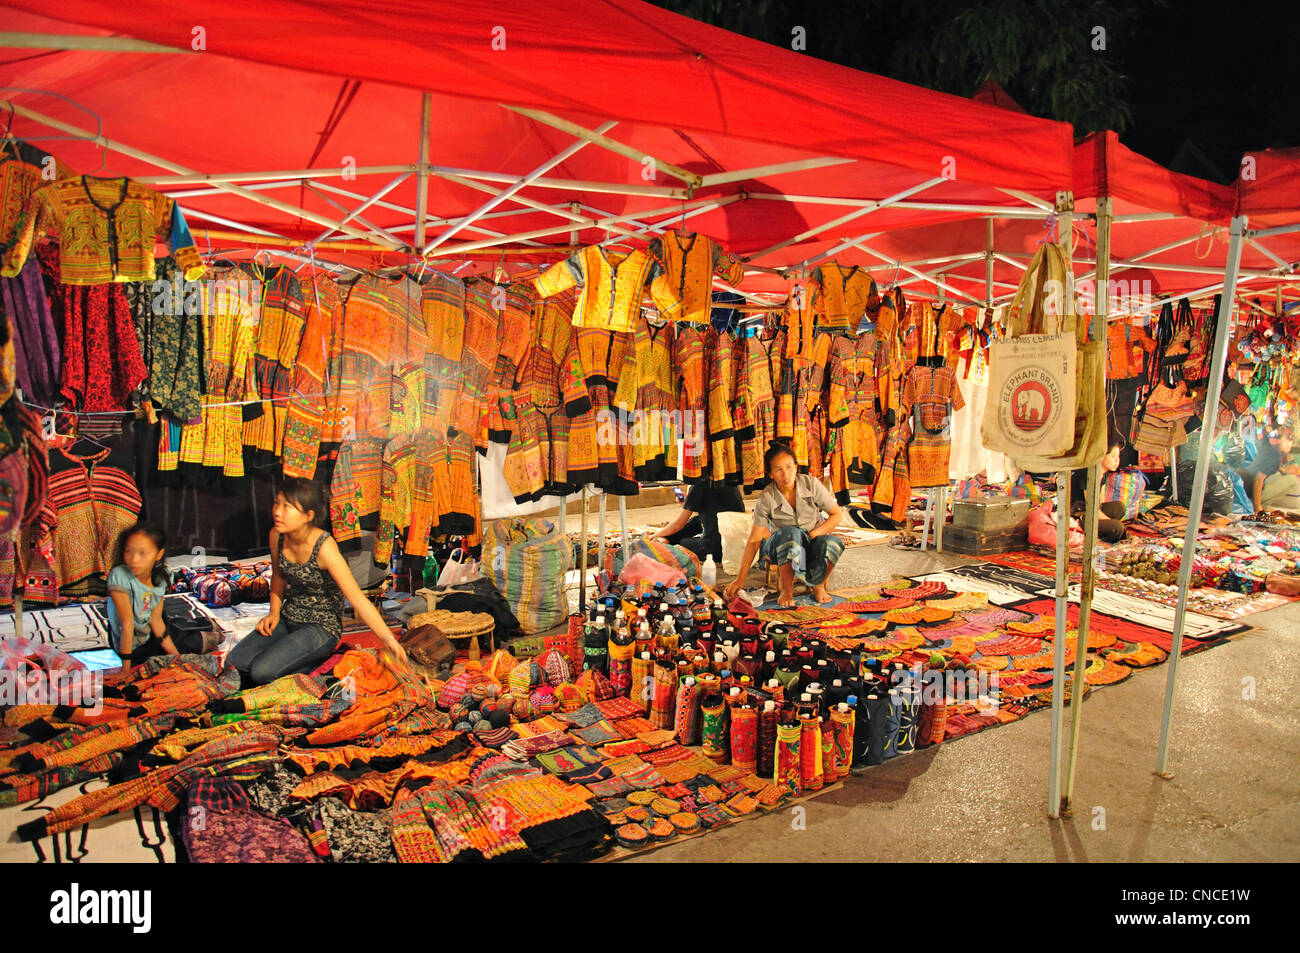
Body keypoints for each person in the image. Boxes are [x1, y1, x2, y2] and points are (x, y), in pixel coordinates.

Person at [228, 477, 407, 686]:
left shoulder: (324, 547)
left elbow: (357, 598)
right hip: (289, 617)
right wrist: (274, 613)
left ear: (307, 515)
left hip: (321, 626)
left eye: (287, 507)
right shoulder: (276, 535)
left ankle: (322, 664)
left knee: (261, 672)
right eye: (277, 503)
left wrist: (389, 640)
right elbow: (278, 575)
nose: (277, 511)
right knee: (234, 664)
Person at [725, 441, 845, 607]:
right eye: (779, 469)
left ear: (796, 466)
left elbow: (837, 515)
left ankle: (818, 585)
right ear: (771, 474)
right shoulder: (767, 497)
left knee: (833, 543)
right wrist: (740, 579)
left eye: (789, 467)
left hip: (811, 541)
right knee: (792, 534)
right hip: (782, 547)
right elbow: (754, 540)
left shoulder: (811, 484)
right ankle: (786, 590)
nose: (786, 474)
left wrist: (814, 534)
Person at [107, 523, 178, 670]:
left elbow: (156, 620)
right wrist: (125, 669)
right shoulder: (120, 576)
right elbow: (127, 625)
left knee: (184, 646)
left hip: (148, 635)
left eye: (142, 553)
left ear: (159, 554)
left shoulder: (162, 577)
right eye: (128, 551)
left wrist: (179, 659)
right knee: (154, 662)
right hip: (128, 644)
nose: (133, 559)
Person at [653, 482, 746, 562]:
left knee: (681, 542)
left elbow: (678, 524)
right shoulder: (729, 479)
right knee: (696, 520)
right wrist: (688, 502)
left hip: (715, 550)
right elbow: (711, 508)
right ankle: (664, 538)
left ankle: (663, 539)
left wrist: (654, 535)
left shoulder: (699, 484)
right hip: (736, 543)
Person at [1071, 440, 1130, 543]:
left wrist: (1106, 521)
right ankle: (1098, 537)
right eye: (1112, 456)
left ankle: (1100, 532)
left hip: (1090, 512)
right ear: (1102, 456)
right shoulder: (1088, 473)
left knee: (1119, 507)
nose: (1117, 461)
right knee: (1117, 527)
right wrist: (1109, 521)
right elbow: (1091, 506)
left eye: (1118, 457)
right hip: (1077, 516)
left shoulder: (1104, 473)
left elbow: (1100, 503)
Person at [1241, 429, 1294, 512]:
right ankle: (1258, 504)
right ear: (1276, 440)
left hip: (1244, 484)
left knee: (1278, 475)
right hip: (1247, 490)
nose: (1289, 444)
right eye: (1286, 440)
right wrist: (1257, 506)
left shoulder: (1268, 449)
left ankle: (1261, 504)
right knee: (1292, 480)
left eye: (1291, 441)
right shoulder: (1275, 455)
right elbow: (1258, 479)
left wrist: (1282, 470)